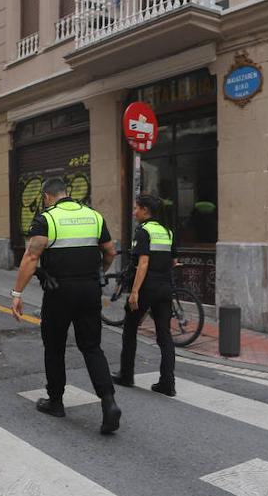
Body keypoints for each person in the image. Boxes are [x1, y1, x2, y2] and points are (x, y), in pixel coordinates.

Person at [10, 178, 121, 435]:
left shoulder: (46, 219)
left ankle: (56, 402)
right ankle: (109, 402)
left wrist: (17, 293)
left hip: (59, 292)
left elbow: (31, 256)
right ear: (67, 193)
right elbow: (110, 252)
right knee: (92, 347)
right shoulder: (94, 216)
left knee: (55, 346)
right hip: (89, 290)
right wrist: (99, 273)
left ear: (47, 196)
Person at [112, 194, 177, 396]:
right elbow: (173, 262)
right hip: (165, 287)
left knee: (130, 329)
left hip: (147, 288)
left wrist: (134, 292)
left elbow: (144, 263)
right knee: (164, 335)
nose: (134, 212)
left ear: (145, 210)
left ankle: (126, 374)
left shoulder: (143, 231)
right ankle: (167, 383)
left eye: (136, 208)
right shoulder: (167, 232)